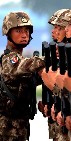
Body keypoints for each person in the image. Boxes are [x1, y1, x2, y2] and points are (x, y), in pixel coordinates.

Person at [0, 11, 45, 141]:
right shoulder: (10, 59)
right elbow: (23, 65)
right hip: (6, 129)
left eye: (27, 31)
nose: (24, 35)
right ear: (8, 33)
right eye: (18, 31)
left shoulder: (19, 58)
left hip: (19, 126)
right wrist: (50, 58)